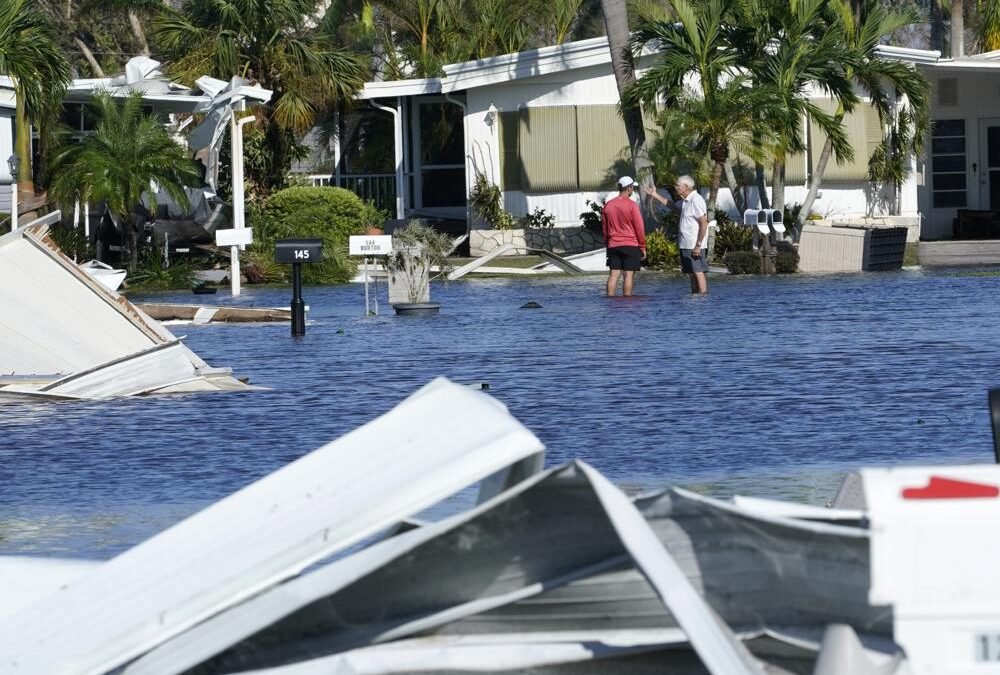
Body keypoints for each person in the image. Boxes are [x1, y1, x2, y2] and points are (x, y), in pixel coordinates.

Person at [644, 175, 709, 294]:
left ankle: (703, 298)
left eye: (678, 185)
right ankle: (695, 296)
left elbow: (703, 223)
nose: (675, 187)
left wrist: (698, 245)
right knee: (691, 273)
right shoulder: (686, 201)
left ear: (685, 187)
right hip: (685, 244)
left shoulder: (696, 200)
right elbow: (672, 206)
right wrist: (655, 194)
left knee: (698, 271)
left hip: (694, 244)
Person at [602, 176, 646, 297]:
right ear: (629, 188)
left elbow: (605, 228)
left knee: (613, 275)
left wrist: (607, 244)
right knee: (628, 275)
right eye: (632, 188)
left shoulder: (608, 206)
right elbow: (639, 227)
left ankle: (609, 299)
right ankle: (627, 299)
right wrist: (642, 246)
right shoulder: (632, 205)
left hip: (613, 245)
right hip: (630, 245)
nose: (633, 190)